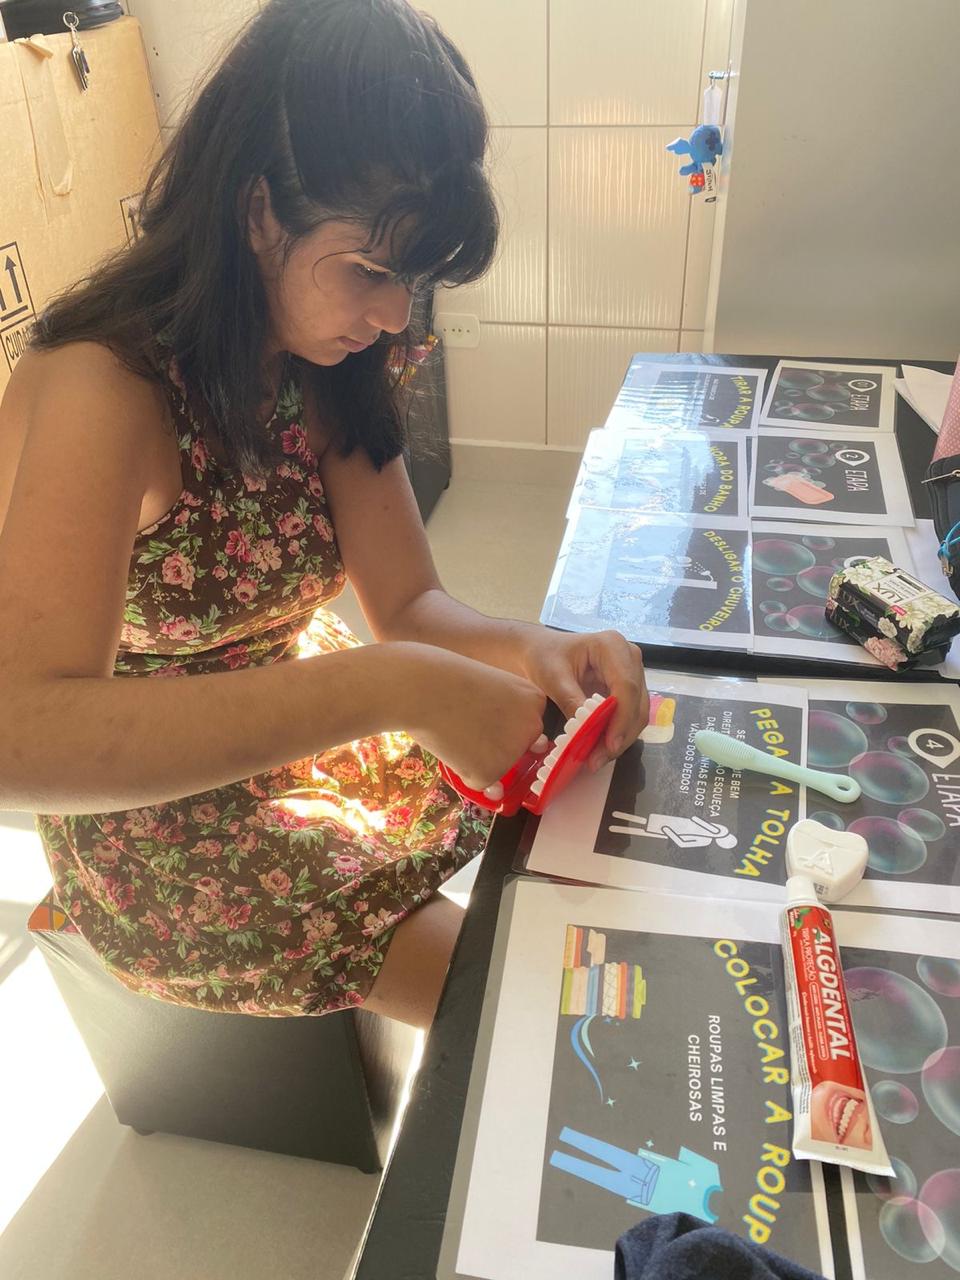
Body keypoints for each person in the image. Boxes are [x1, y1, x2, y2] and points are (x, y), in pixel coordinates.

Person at [0, 0, 647, 1028]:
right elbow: (20, 737)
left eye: (411, 281)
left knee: (589, 850)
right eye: (369, 272)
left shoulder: (322, 361)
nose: (392, 316)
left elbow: (411, 604)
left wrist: (539, 649)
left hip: (311, 719)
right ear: (261, 211)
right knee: (543, 1010)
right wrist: (399, 686)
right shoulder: (104, 388)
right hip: (151, 818)